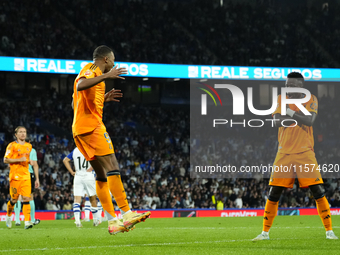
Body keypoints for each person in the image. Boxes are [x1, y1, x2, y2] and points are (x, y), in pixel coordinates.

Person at [72, 45, 150, 235]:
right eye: (113, 60)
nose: (115, 64)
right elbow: (80, 85)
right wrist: (107, 76)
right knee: (112, 166)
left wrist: (101, 100)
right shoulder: (91, 70)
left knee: (100, 175)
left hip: (80, 129)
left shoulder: (94, 76)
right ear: (106, 59)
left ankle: (112, 221)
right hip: (92, 127)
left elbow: (74, 100)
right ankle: (127, 212)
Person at [253, 72, 338, 240]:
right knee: (274, 192)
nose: (287, 88)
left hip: (305, 151)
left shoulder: (311, 98)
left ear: (301, 86)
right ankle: (264, 233)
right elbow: (277, 121)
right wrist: (296, 115)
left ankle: (329, 231)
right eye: (286, 85)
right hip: (283, 151)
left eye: (291, 85)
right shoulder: (280, 99)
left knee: (318, 190)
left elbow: (310, 121)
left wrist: (289, 113)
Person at [4, 126, 38, 229]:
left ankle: (27, 222)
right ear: (16, 135)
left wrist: (29, 161)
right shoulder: (11, 146)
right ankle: (9, 216)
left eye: (24, 132)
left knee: (26, 198)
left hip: (26, 176)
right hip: (15, 177)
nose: (23, 134)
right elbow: (5, 160)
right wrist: (19, 160)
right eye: (20, 132)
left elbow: (25, 160)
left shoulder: (29, 146)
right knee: (14, 200)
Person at [63, 147, 101, 227]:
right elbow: (98, 160)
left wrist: (71, 172)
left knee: (77, 200)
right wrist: (92, 168)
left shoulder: (75, 150)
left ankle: (77, 221)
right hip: (88, 175)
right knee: (93, 198)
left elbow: (65, 160)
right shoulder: (90, 149)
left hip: (78, 175)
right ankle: (95, 220)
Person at [14, 144, 40, 226]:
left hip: (17, 174)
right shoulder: (32, 150)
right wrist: (37, 178)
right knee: (30, 197)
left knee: (18, 197)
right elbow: (35, 164)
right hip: (28, 174)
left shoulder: (15, 148)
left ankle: (17, 220)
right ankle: (32, 219)